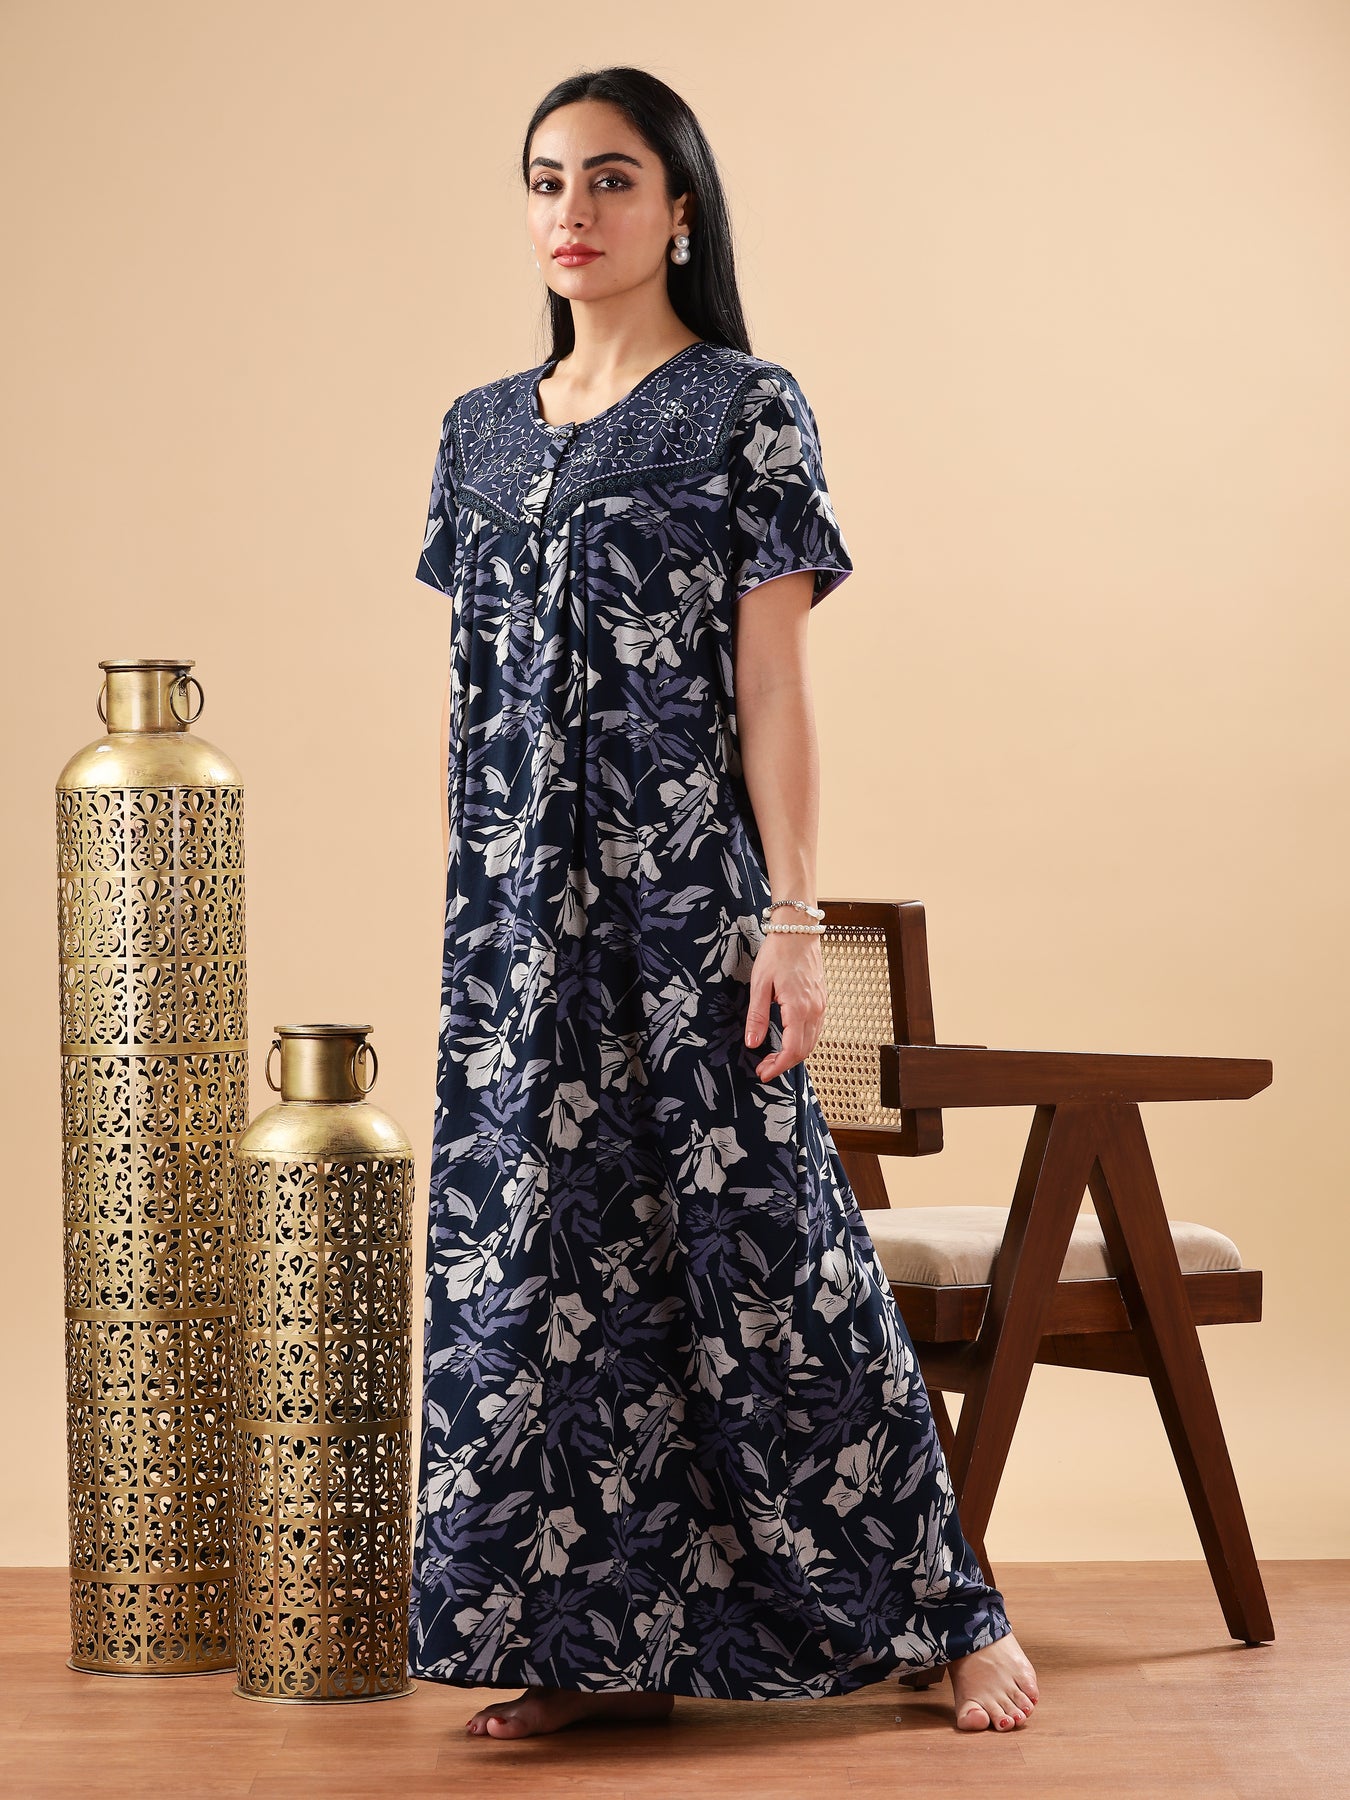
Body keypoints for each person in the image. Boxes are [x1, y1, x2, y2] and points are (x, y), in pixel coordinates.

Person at [409, 64, 1039, 1740]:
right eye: (546, 179)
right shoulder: (479, 432)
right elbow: (482, 700)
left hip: (692, 903)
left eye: (612, 179)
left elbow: (771, 686)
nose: (573, 211)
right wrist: (488, 916)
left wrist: (792, 919)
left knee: (773, 1255)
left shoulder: (744, 408)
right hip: (515, 925)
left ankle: (947, 1610)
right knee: (546, 1269)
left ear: (679, 208)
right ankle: (591, 1650)